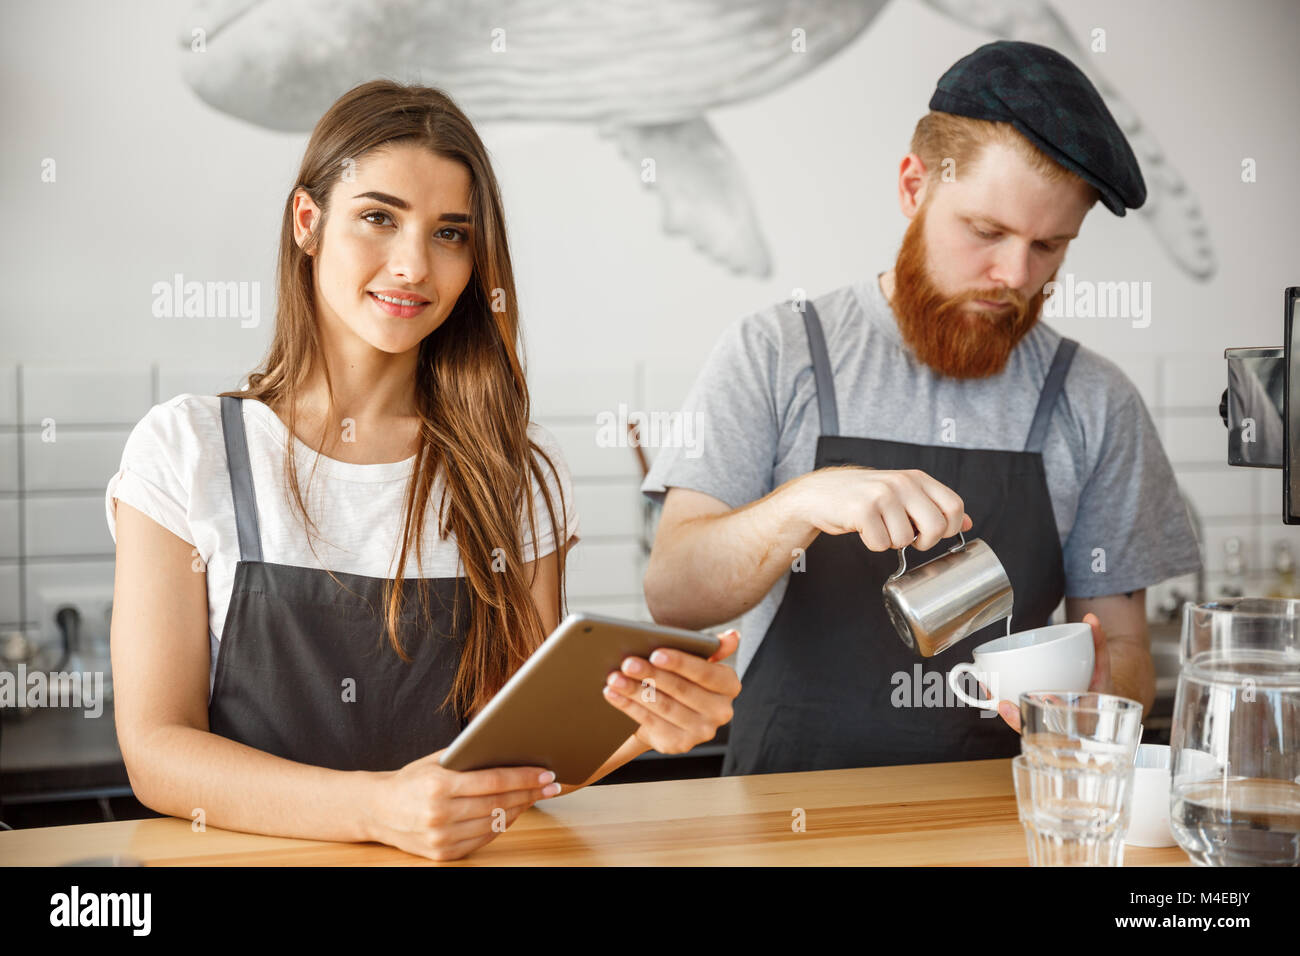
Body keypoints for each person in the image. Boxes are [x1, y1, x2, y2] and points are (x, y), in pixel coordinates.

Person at [106, 80, 741, 860]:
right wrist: (376, 808)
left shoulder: (516, 471)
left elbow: (521, 760)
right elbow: (157, 751)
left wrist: (641, 723)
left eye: (449, 234)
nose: (413, 265)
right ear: (308, 223)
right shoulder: (187, 450)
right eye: (379, 217)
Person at [640, 41, 1202, 775]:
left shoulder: (1096, 401)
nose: (1014, 275)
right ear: (914, 186)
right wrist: (804, 501)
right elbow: (674, 592)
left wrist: (1094, 697)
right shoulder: (776, 352)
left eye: (1049, 247)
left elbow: (1123, 644)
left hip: (1003, 823)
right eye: (986, 232)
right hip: (782, 821)